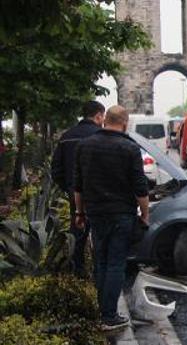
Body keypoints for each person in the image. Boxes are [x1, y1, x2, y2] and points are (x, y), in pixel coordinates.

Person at [74, 105, 149, 330]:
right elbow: (140, 188)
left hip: (96, 213)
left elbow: (78, 185)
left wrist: (80, 212)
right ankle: (109, 316)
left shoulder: (84, 145)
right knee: (116, 264)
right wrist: (145, 214)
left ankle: (102, 310)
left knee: (101, 262)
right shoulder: (129, 148)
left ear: (104, 120)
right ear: (125, 123)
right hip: (121, 213)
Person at [52, 100, 105, 277]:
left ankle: (79, 270)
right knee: (100, 233)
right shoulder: (103, 135)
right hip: (100, 194)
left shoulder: (67, 136)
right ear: (98, 115)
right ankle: (99, 271)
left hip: (75, 193)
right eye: (102, 117)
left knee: (78, 232)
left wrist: (68, 188)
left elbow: (56, 169)